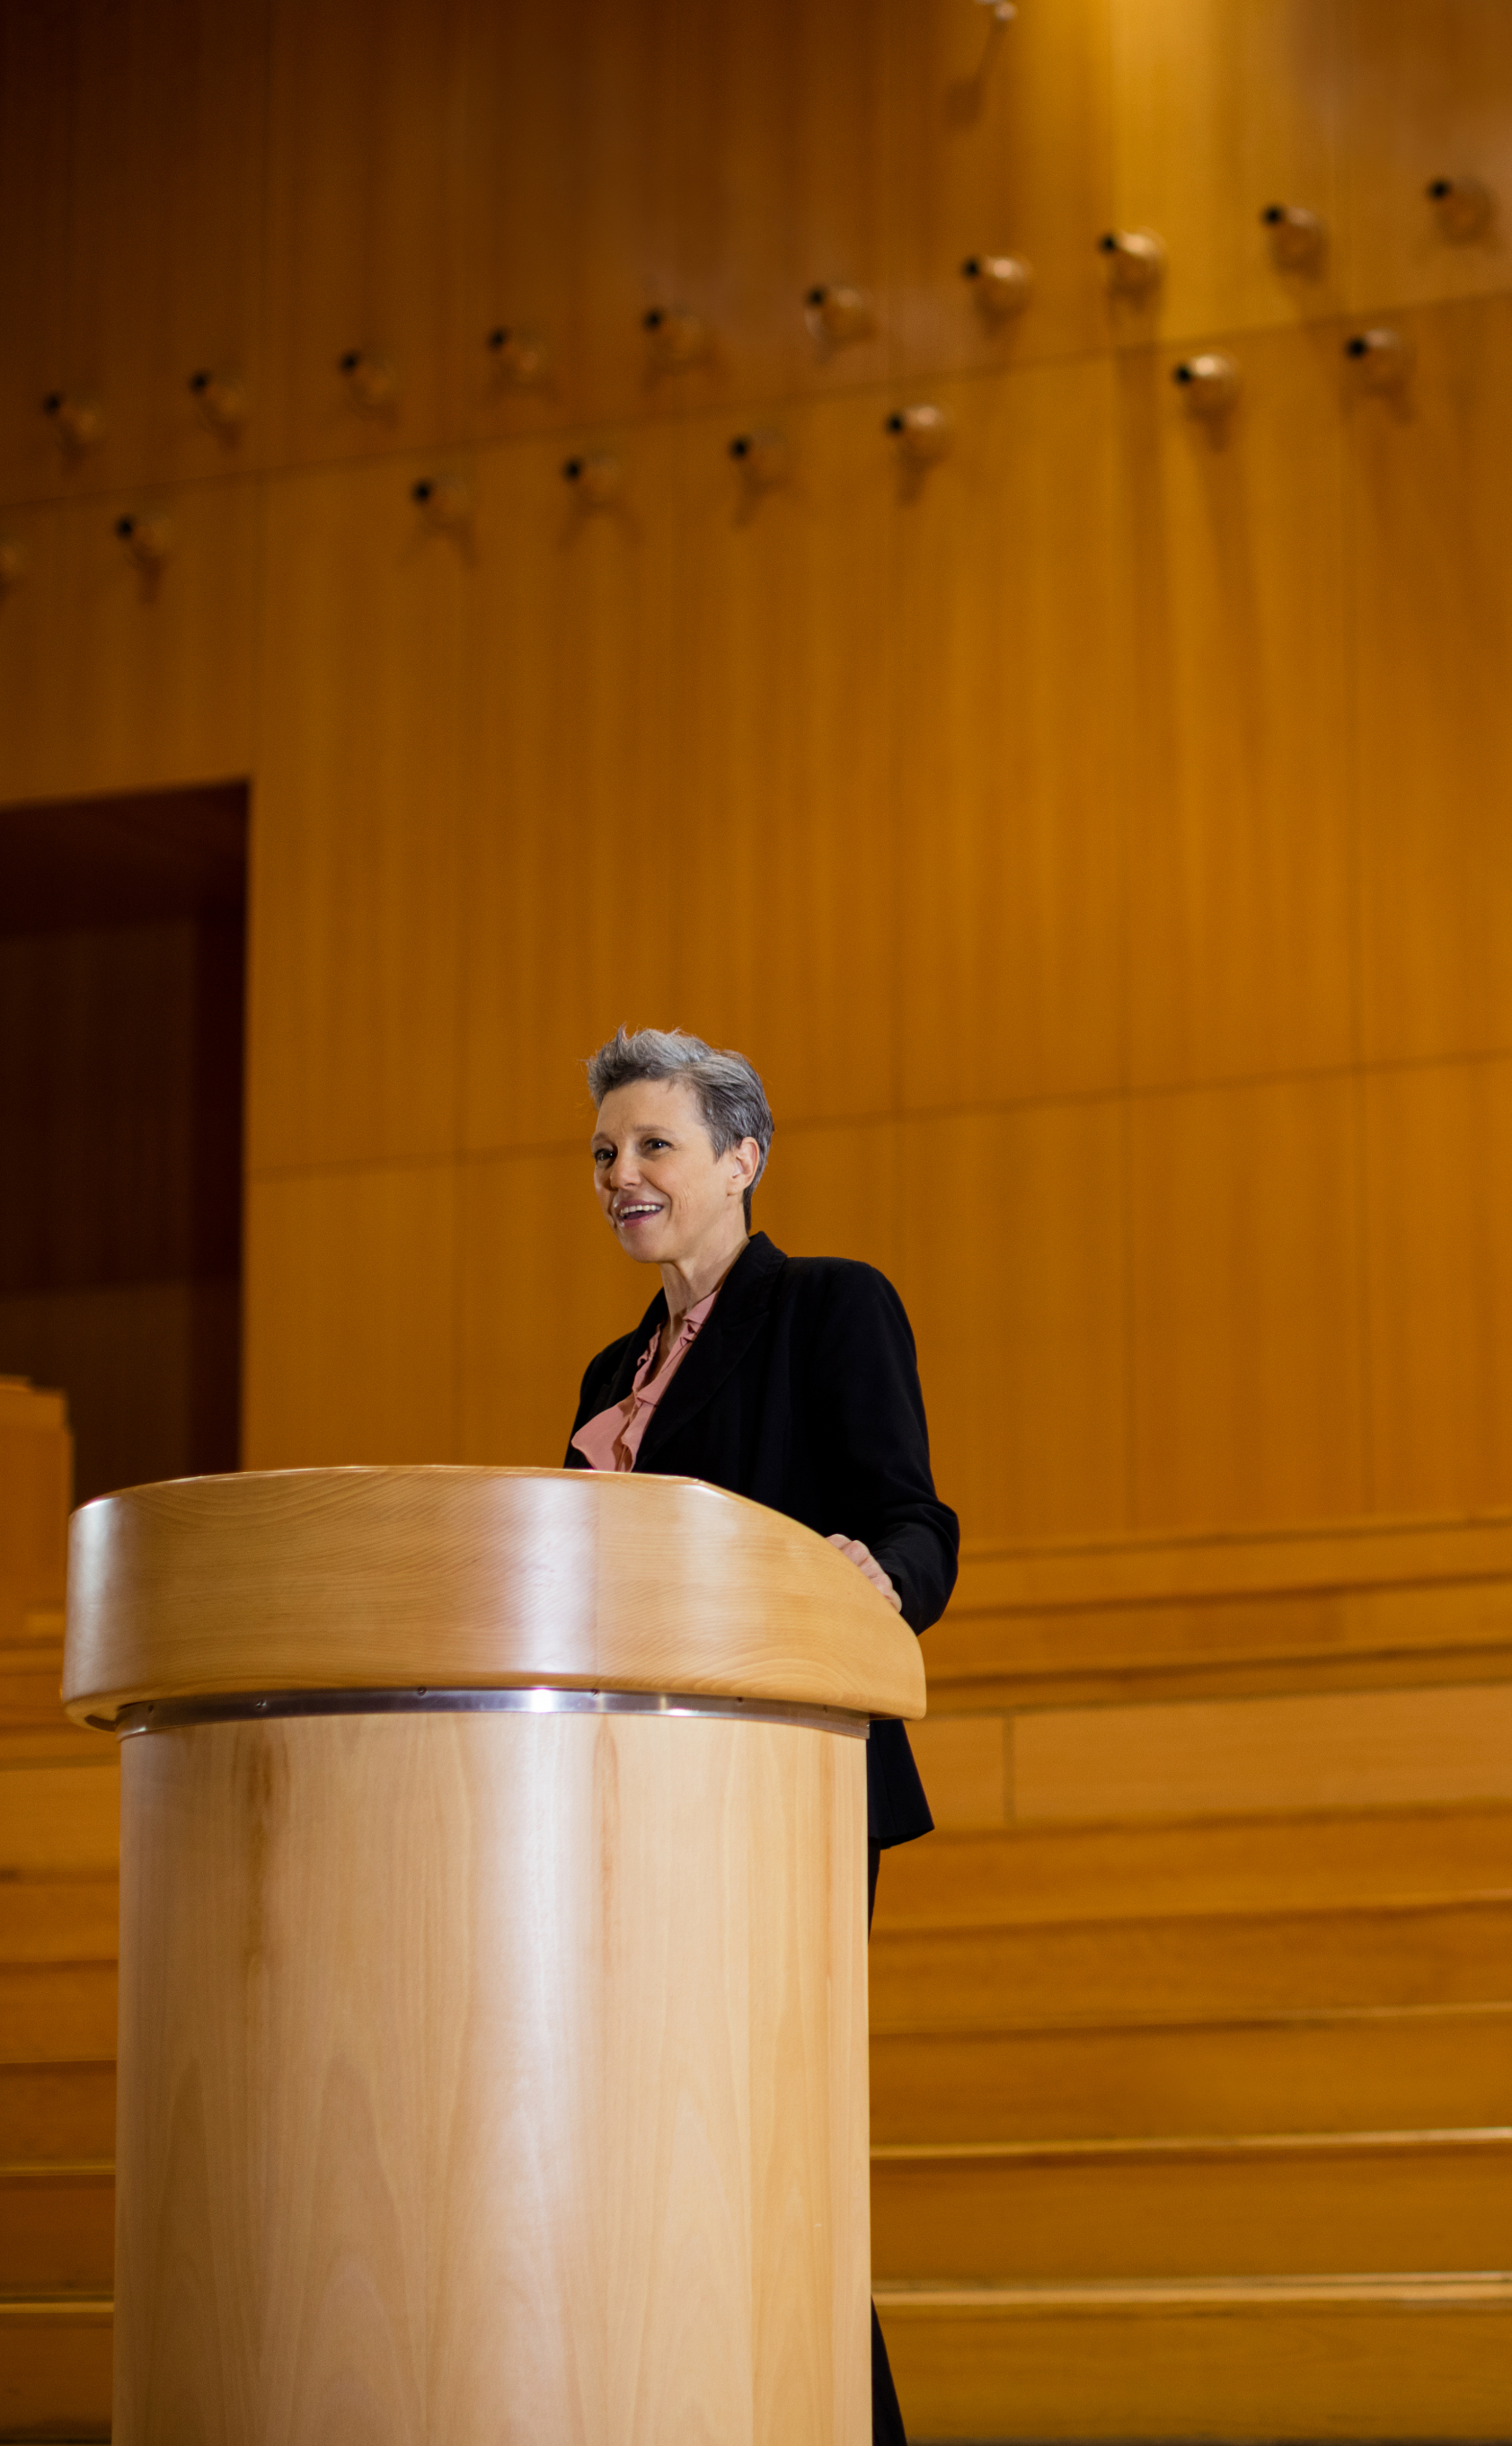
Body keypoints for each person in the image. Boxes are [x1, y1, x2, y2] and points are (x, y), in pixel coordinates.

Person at [566, 1025, 950, 2446]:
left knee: (770, 2145)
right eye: (605, 1152)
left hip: (781, 1782)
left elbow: (916, 1524)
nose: (622, 1173)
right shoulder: (608, 1370)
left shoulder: (829, 1308)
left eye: (654, 1145)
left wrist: (872, 1580)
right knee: (664, 2149)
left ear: (743, 1158)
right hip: (630, 1798)